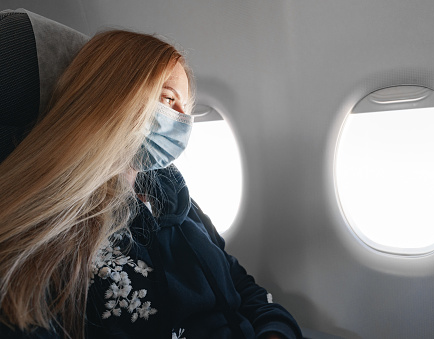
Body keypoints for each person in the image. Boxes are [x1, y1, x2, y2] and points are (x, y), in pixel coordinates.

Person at [0, 30, 302, 339]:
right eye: (170, 99)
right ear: (114, 96)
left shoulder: (173, 197)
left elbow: (242, 286)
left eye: (187, 107)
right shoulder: (53, 231)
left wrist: (275, 331)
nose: (185, 121)